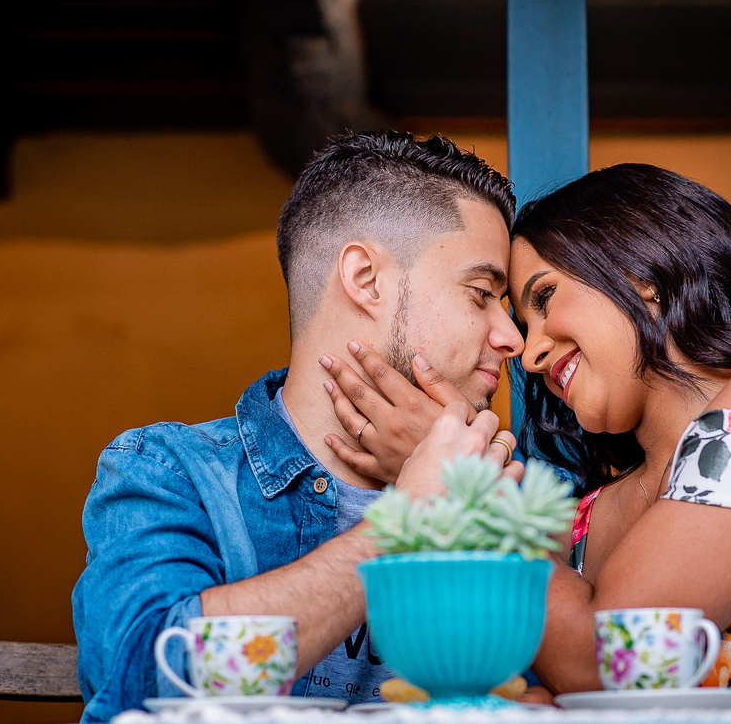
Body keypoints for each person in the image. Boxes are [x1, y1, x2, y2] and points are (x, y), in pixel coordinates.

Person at [325, 162, 731, 715]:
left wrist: (462, 489)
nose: (526, 354)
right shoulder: (586, 517)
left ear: (640, 272)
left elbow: (605, 660)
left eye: (544, 296)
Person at [71, 131, 522, 722]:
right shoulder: (170, 471)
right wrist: (402, 527)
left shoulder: (501, 485)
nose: (511, 337)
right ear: (366, 279)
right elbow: (142, 686)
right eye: (482, 293)